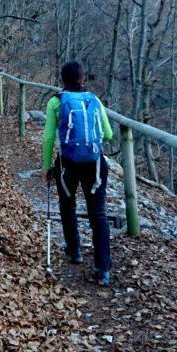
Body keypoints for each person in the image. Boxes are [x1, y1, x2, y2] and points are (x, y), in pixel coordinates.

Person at [43, 61, 114, 286]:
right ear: (84, 78)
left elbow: (48, 138)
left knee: (67, 204)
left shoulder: (56, 101)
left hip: (68, 163)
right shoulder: (95, 100)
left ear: (62, 79)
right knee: (98, 214)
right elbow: (109, 134)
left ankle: (74, 251)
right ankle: (103, 269)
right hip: (95, 163)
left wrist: (47, 166)